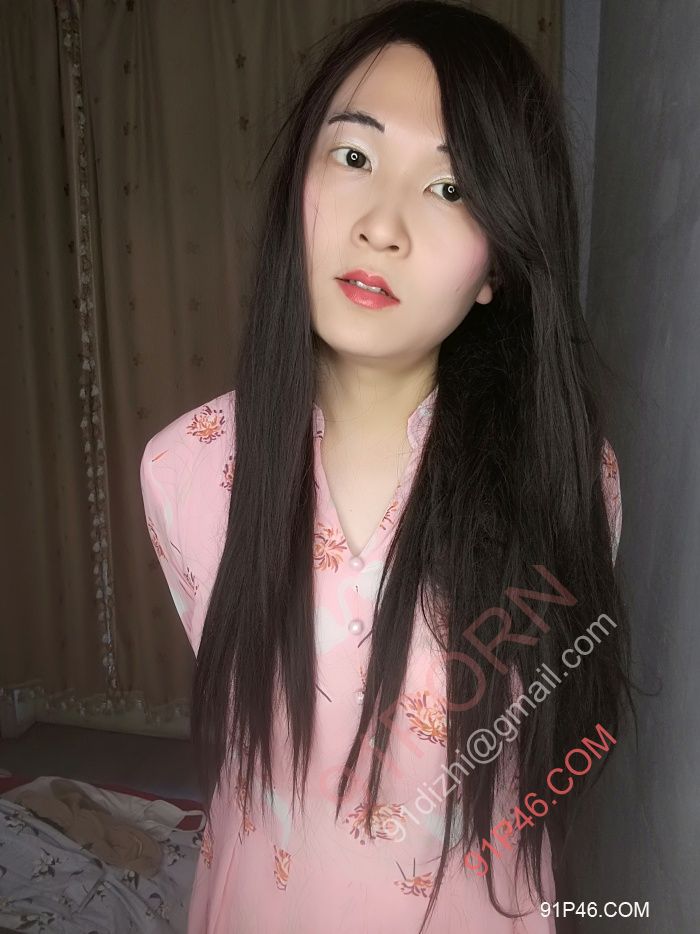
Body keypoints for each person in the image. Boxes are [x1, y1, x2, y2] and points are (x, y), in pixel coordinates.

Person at [140, 2, 632, 931]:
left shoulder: (569, 481)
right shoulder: (185, 471)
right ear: (299, 185)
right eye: (355, 157)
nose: (382, 227)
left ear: (497, 266)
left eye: (450, 188)